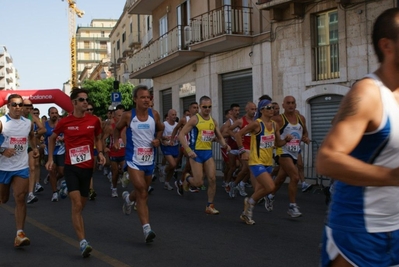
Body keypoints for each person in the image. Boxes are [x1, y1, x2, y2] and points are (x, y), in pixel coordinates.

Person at [316, 8, 399, 266]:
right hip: (358, 232)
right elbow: (327, 160)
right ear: (387, 46)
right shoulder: (368, 94)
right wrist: (392, 177)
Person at [46, 88, 105, 257]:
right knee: (77, 204)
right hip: (71, 167)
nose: (85, 102)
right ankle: (82, 242)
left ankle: (65, 188)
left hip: (87, 168)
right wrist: (50, 158)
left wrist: (100, 153)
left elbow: (98, 138)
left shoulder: (94, 120)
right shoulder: (65, 122)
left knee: (81, 206)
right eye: (81, 100)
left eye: (86, 99)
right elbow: (51, 138)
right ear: (74, 103)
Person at [114, 85, 164, 243]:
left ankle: (129, 199)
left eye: (148, 97)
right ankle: (147, 229)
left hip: (149, 160)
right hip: (134, 160)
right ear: (135, 99)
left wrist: (158, 139)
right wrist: (117, 140)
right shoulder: (129, 116)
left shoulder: (154, 114)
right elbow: (117, 129)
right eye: (142, 97)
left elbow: (161, 129)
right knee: (142, 191)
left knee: (142, 191)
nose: (146, 100)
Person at [236, 99, 290, 224]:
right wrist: (242, 150)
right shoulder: (257, 124)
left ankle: (246, 213)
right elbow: (239, 134)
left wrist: (286, 140)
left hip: (268, 163)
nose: (272, 110)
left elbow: (278, 143)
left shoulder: (275, 125)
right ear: (262, 110)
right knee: (270, 187)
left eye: (273, 107)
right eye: (268, 107)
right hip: (256, 161)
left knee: (260, 191)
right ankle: (249, 204)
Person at [178, 95, 230, 214]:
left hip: (207, 153)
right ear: (200, 107)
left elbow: (219, 137)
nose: (207, 109)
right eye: (205, 107)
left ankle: (209, 206)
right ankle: (187, 178)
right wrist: (188, 150)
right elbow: (181, 134)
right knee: (199, 182)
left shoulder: (213, 121)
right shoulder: (195, 119)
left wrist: (225, 145)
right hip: (196, 154)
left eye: (209, 106)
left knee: (212, 179)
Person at [0, 94, 39, 247]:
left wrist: (34, 148)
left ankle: (20, 234)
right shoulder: (2, 122)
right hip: (3, 167)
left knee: (20, 198)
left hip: (21, 166)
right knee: (3, 199)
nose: (17, 107)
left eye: (20, 105)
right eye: (14, 104)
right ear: (8, 106)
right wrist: (2, 150)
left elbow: (30, 137)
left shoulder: (27, 123)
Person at [264, 95, 310, 217]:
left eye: (293, 103)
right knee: (295, 177)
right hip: (282, 152)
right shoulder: (279, 119)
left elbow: (304, 131)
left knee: (279, 180)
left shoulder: (301, 118)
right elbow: (270, 132)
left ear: (295, 105)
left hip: (294, 152)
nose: (290, 105)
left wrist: (305, 138)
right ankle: (292, 207)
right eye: (288, 103)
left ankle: (269, 196)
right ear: (283, 105)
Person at [227, 101, 257, 198]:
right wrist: (236, 136)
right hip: (244, 148)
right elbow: (229, 129)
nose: (254, 111)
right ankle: (241, 185)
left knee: (246, 170)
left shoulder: (256, 122)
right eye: (252, 109)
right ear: (246, 109)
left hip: (253, 147)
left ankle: (236, 184)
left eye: (255, 109)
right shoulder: (241, 121)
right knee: (248, 168)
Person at [21, 99, 46, 204]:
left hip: (29, 146)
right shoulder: (17, 117)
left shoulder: (31, 118)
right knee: (21, 169)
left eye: (30, 106)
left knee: (32, 167)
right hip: (18, 147)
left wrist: (35, 142)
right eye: (26, 106)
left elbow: (43, 129)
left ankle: (30, 194)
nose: (28, 108)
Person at [102, 105, 126, 198]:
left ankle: (120, 179)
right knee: (115, 172)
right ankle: (114, 188)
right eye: (119, 116)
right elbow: (103, 139)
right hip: (114, 152)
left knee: (124, 169)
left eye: (122, 115)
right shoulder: (111, 127)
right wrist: (105, 148)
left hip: (123, 152)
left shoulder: (125, 126)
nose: (121, 118)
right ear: (115, 117)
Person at [43, 107, 65, 202]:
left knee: (61, 172)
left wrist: (63, 138)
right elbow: (38, 135)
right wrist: (41, 143)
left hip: (60, 150)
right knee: (52, 171)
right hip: (49, 151)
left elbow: (68, 134)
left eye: (56, 113)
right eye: (52, 113)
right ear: (49, 114)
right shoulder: (45, 125)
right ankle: (55, 193)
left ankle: (53, 180)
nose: (54, 114)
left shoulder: (62, 124)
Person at [85, 103, 102, 200]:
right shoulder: (79, 119)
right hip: (82, 149)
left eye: (91, 109)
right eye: (88, 109)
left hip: (94, 147)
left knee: (91, 169)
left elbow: (99, 136)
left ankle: (90, 188)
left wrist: (101, 151)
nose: (90, 111)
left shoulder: (96, 120)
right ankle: (89, 189)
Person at [160, 109, 180, 191]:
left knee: (173, 167)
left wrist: (178, 138)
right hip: (166, 146)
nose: (174, 116)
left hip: (175, 146)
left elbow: (180, 134)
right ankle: (163, 170)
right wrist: (164, 138)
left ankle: (167, 183)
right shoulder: (164, 124)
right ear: (168, 116)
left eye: (175, 114)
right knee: (173, 164)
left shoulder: (177, 125)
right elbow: (159, 135)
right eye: (172, 114)